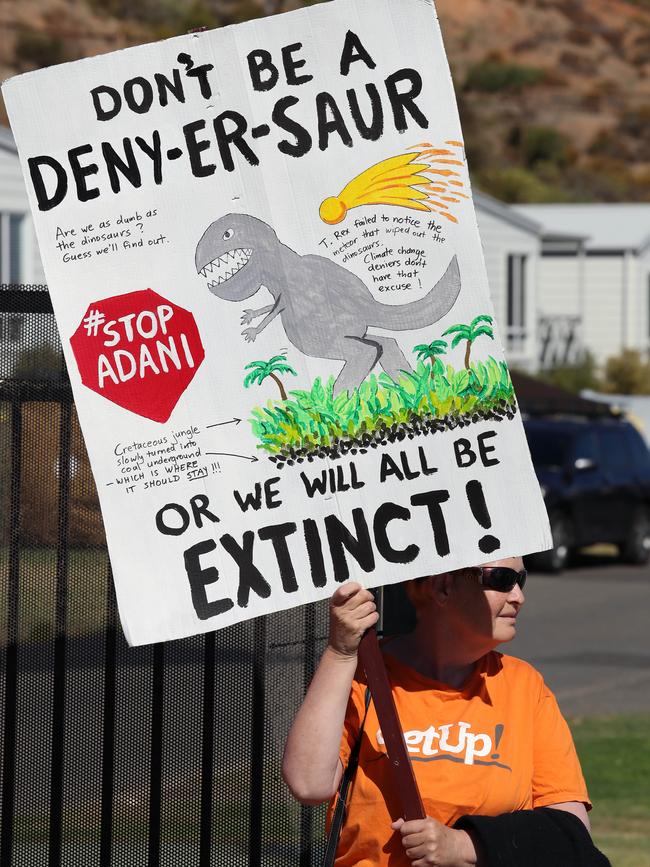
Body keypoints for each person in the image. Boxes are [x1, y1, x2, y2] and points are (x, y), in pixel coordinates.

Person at [282, 557, 609, 866]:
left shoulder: (524, 686)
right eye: (502, 580)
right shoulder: (364, 675)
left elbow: (570, 834)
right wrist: (340, 653)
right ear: (443, 587)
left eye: (521, 579)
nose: (518, 597)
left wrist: (466, 846)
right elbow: (309, 784)